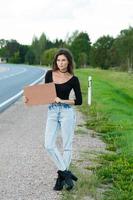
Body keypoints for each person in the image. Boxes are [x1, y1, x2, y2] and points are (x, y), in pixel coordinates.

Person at [44, 48, 82, 191]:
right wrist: (29, 98)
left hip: (67, 113)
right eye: (58, 60)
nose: (60, 63)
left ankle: (60, 180)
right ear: (56, 61)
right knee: (48, 144)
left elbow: (79, 101)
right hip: (52, 112)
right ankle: (66, 173)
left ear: (68, 61)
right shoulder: (49, 74)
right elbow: (44, 93)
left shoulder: (74, 79)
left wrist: (63, 100)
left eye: (63, 60)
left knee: (67, 145)